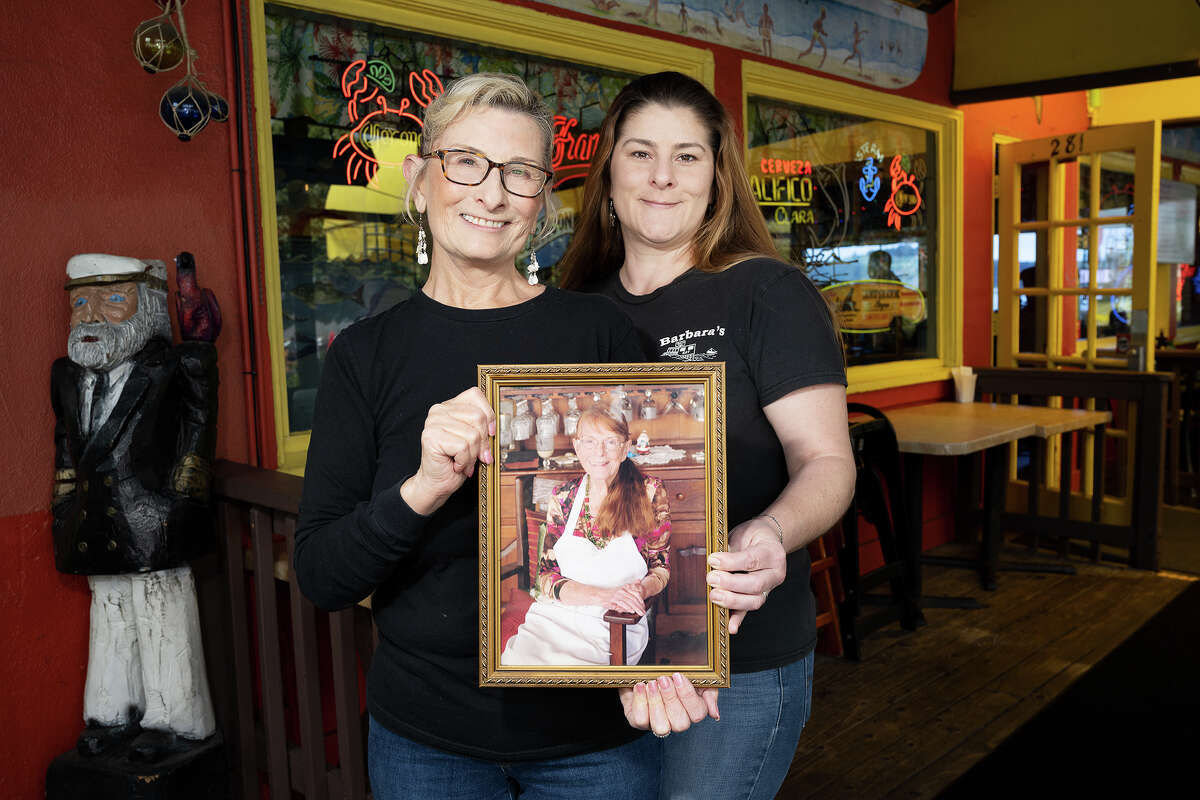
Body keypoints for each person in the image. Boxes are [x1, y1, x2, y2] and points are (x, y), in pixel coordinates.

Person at [293, 73, 710, 800]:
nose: (491, 194)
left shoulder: (599, 331)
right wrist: (422, 487)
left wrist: (670, 652)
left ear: (541, 202)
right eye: (466, 163)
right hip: (426, 743)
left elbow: (668, 518)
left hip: (595, 740)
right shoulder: (364, 357)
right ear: (420, 181)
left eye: (519, 173)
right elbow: (325, 576)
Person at [559, 71, 856, 800]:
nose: (663, 176)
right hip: (600, 650)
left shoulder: (767, 293)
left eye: (688, 156)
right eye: (641, 153)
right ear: (608, 173)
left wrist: (771, 531)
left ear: (719, 177)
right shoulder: (571, 305)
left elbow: (826, 461)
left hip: (738, 659)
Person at [51, 254, 218, 762]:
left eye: (113, 298)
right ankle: (111, 712)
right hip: (93, 518)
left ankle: (174, 718)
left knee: (161, 613)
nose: (92, 314)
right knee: (110, 614)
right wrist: (61, 500)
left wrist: (184, 498)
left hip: (153, 517)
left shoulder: (173, 367)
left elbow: (197, 431)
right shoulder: (66, 374)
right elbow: (66, 443)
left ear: (146, 306)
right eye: (80, 301)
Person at [502, 407, 670, 666]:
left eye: (610, 442)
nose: (599, 452)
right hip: (554, 619)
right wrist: (602, 596)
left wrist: (640, 590)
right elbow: (547, 575)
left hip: (617, 623)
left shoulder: (649, 492)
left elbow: (660, 568)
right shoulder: (563, 497)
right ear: (577, 447)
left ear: (625, 447)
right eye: (590, 441)